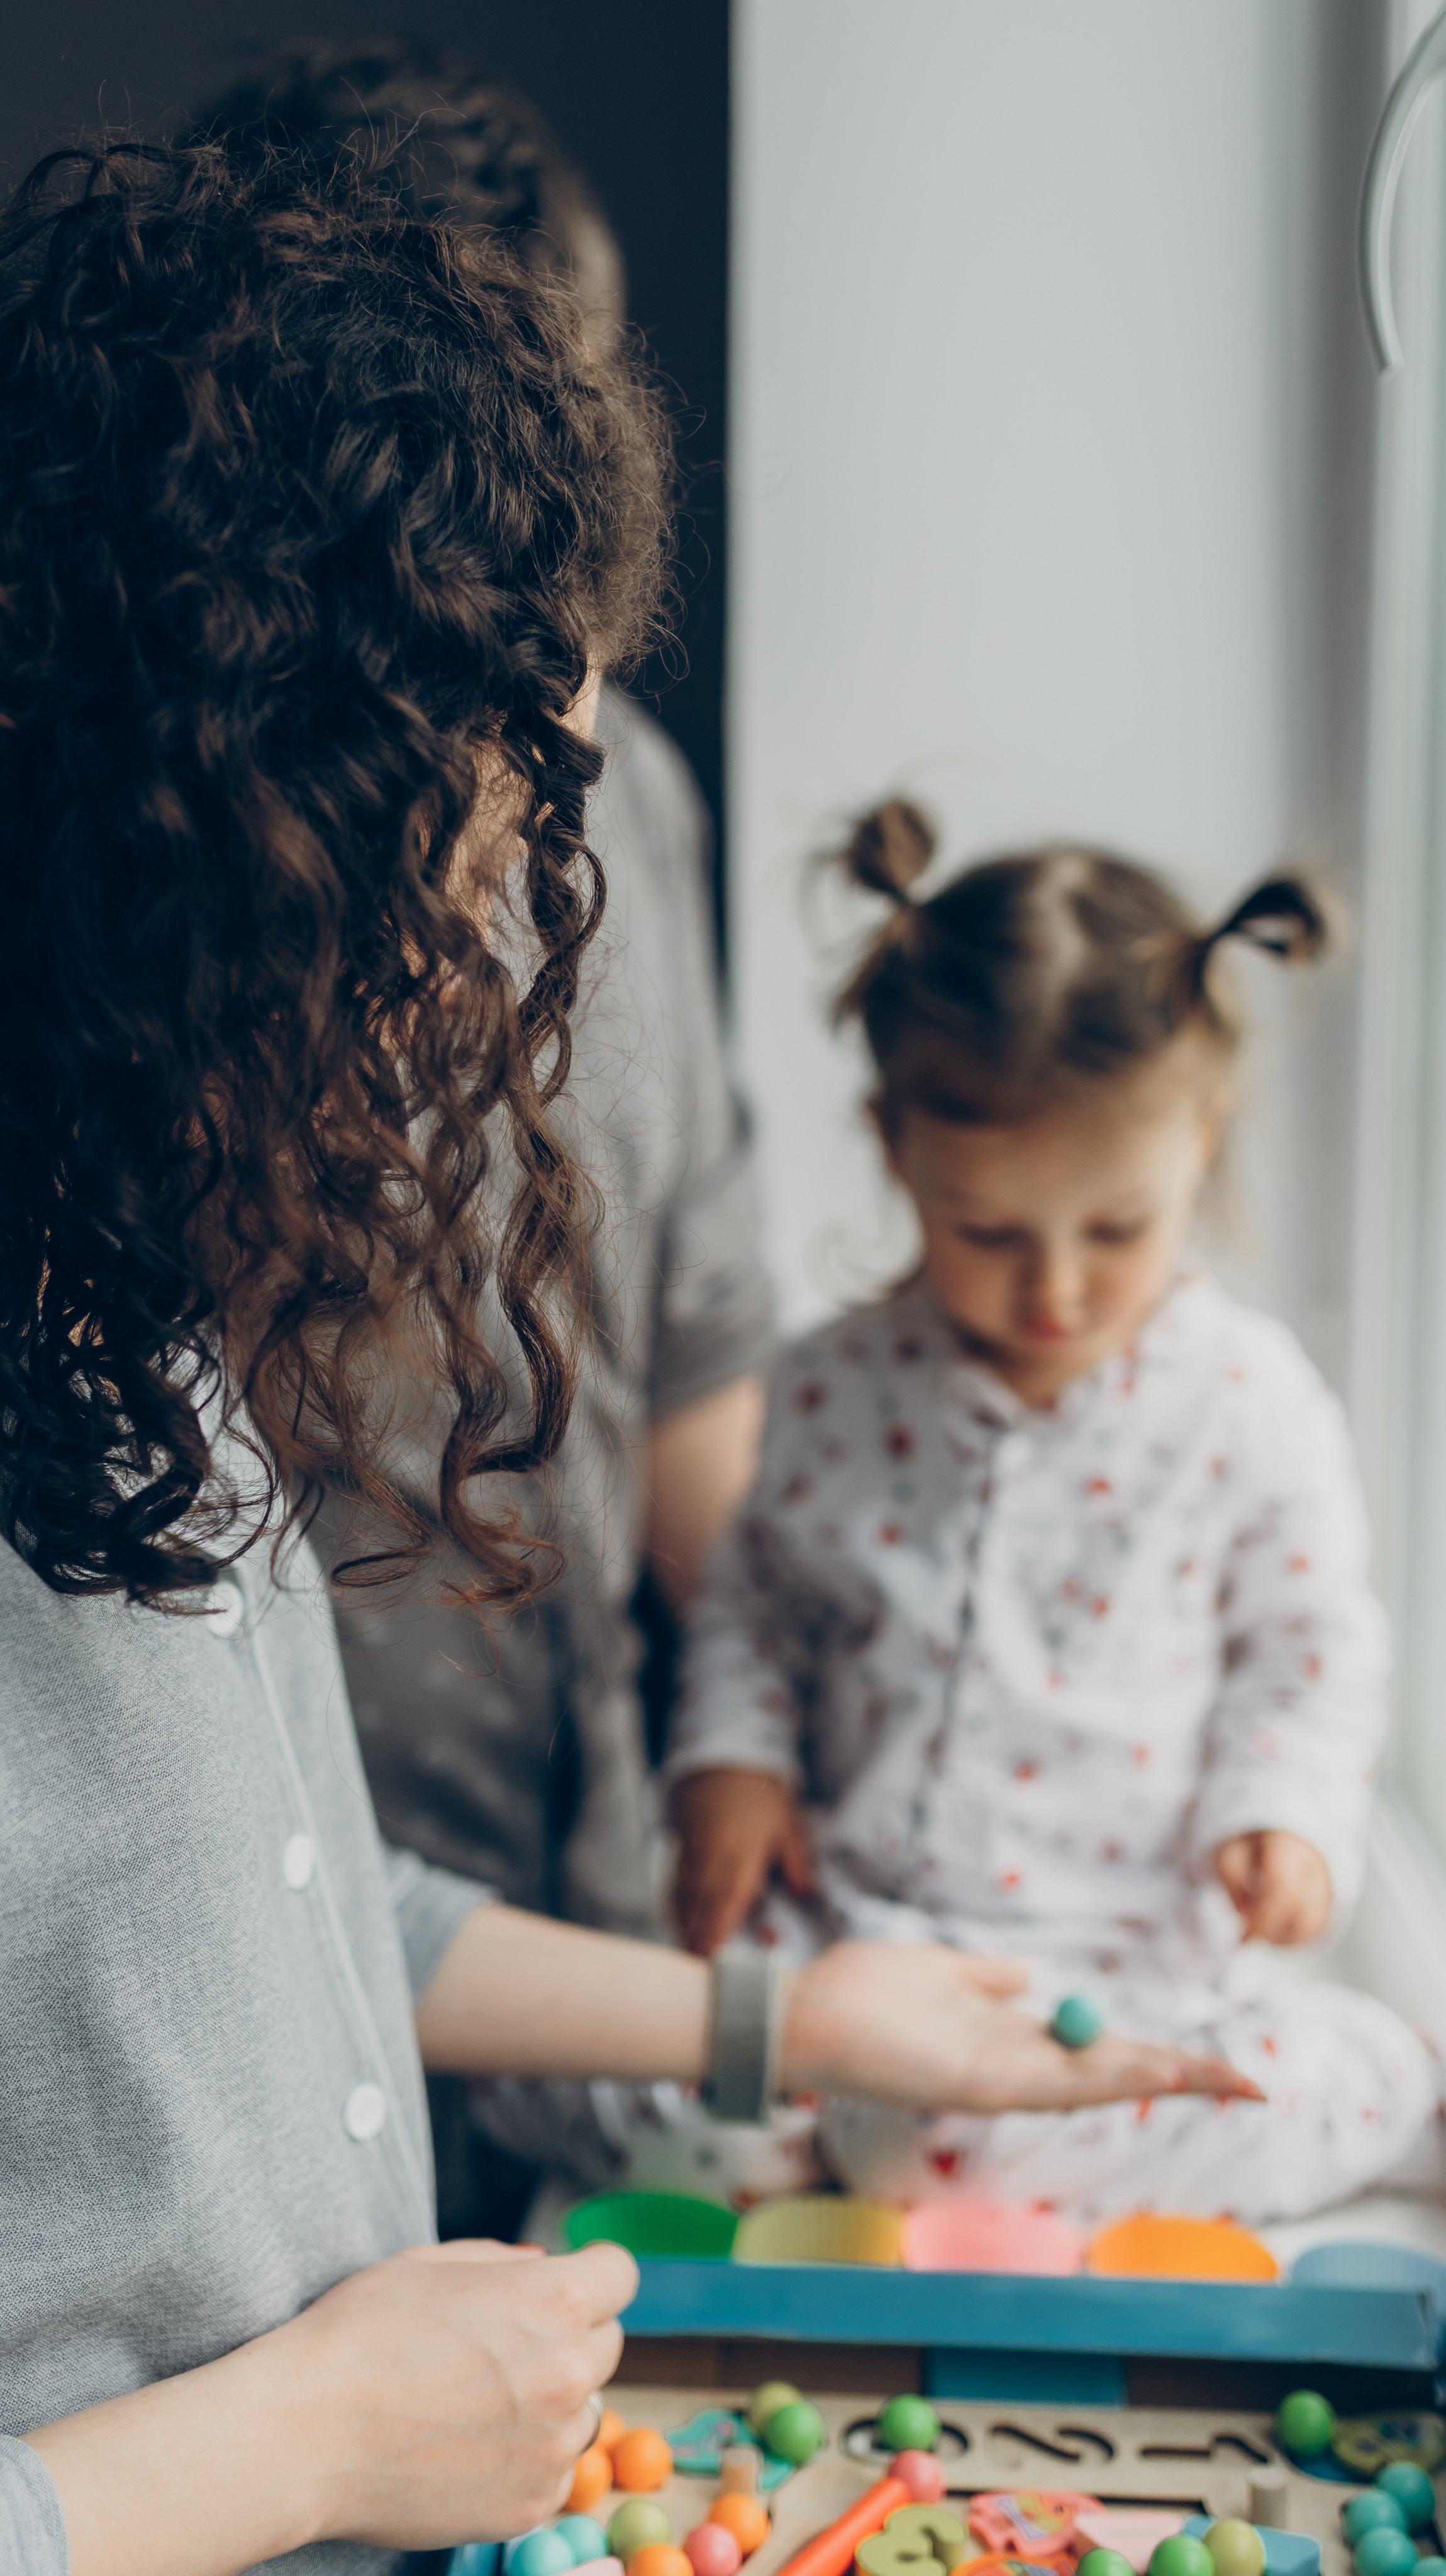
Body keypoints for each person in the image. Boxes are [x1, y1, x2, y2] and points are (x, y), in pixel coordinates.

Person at [0, 145, 1249, 2576]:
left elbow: (259, 1917)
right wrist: (304, 2451)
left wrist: (792, 2026)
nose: (485, 982)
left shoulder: (134, 1284)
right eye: (440, 881)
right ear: (190, 852)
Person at [665, 802, 1437, 2225]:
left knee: (1202, 2091)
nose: (1055, 1291)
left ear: (1199, 1140)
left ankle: (1352, 2083)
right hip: (861, 1937)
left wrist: (1287, 1811)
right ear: (894, 1146)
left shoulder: (1249, 1398)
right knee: (649, 2077)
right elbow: (753, 1600)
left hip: (1113, 1960)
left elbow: (1312, 1643)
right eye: (990, 1232)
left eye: (1115, 1230)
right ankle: (886, 2142)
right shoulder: (834, 1384)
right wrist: (736, 1755)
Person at [194, 42, 769, 1946]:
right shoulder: (145, 932)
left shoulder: (643, 803)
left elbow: (695, 1352)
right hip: (270, 1943)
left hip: (589, 1902)